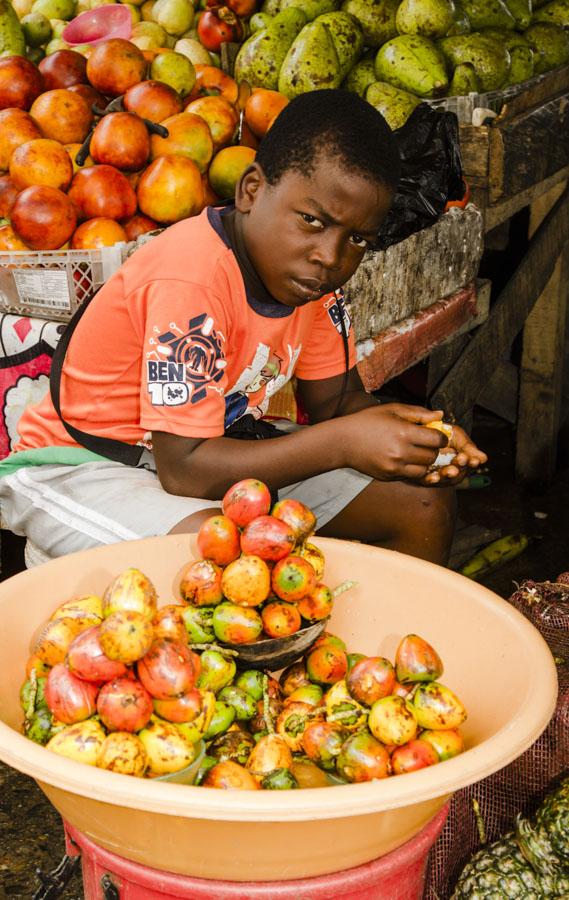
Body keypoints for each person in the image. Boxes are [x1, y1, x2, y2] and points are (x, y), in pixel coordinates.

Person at [0, 89, 486, 566]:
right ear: (251, 189)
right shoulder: (192, 277)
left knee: (419, 503)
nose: (331, 257)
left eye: (357, 238)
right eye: (313, 221)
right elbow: (186, 471)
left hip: (218, 446)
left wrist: (420, 442)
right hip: (85, 468)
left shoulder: (313, 284)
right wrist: (346, 442)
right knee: (221, 553)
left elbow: (339, 404)